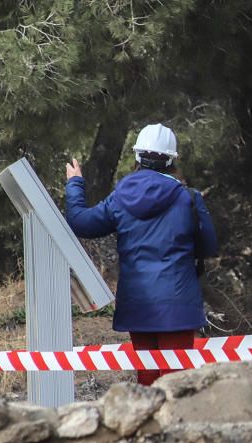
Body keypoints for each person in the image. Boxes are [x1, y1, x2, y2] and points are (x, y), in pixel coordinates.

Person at [65, 123, 218, 386]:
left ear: (137, 157)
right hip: (178, 303)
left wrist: (75, 185)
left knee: (146, 378)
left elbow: (81, 222)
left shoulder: (120, 197)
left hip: (137, 302)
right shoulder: (188, 198)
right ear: (172, 159)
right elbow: (209, 246)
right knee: (176, 382)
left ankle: (147, 426)